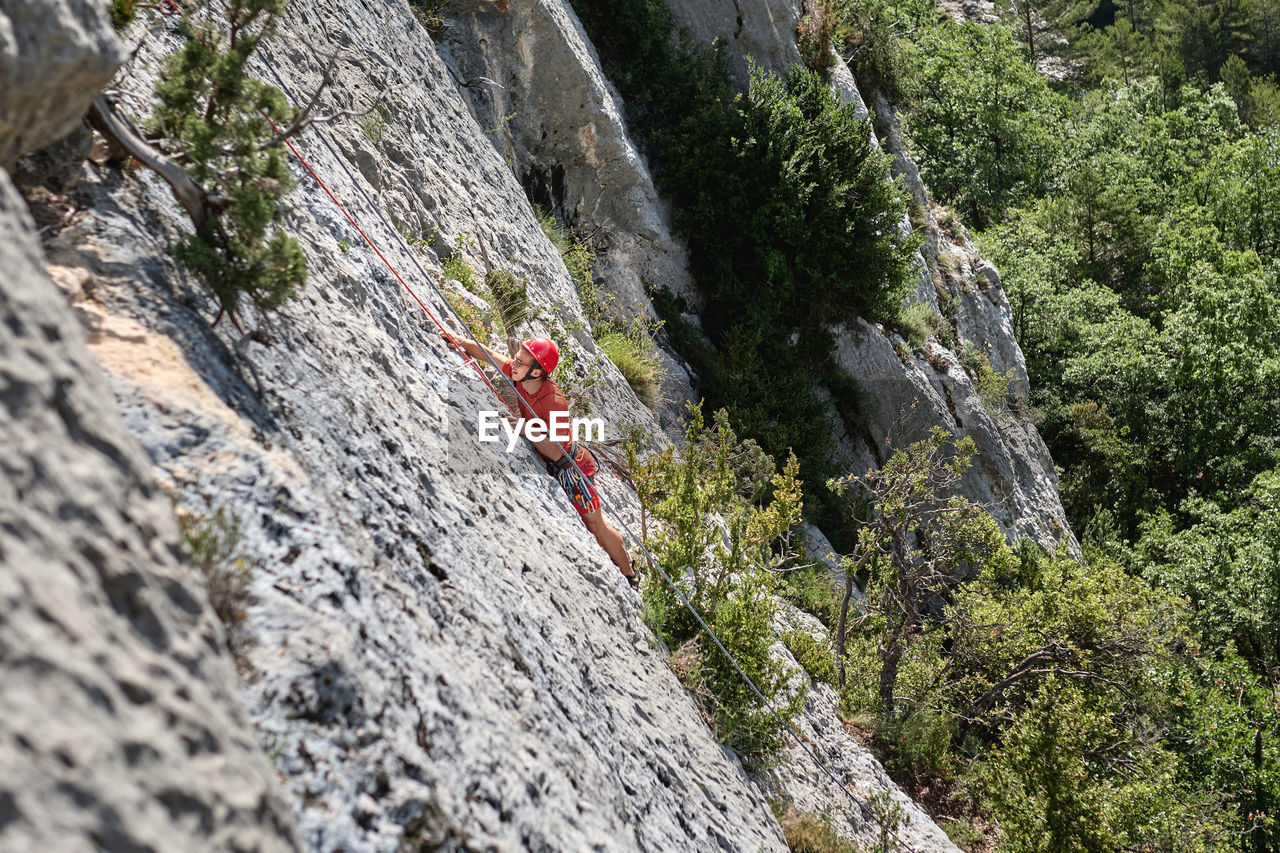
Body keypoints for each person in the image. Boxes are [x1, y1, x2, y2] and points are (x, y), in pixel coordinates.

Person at [442, 331, 640, 591]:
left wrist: (526, 428)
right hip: (550, 459)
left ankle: (628, 573)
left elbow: (557, 451)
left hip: (572, 468)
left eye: (521, 362)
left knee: (594, 524)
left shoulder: (553, 402)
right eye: (517, 359)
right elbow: (491, 356)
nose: (514, 363)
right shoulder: (521, 375)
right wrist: (463, 342)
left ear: (536, 372)